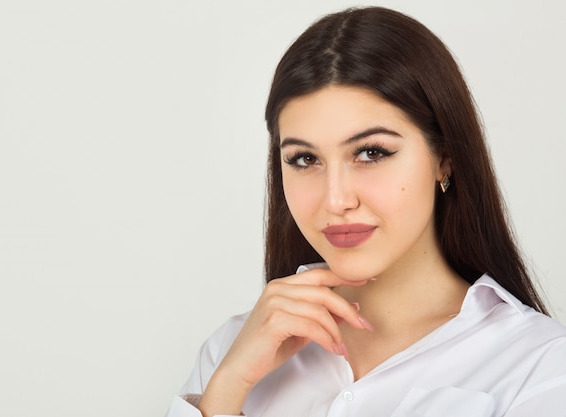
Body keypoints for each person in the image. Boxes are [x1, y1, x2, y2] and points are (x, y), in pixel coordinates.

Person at [165, 6, 566, 416]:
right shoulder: (233, 352)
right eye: (304, 160)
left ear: (444, 156)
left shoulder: (539, 368)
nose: (336, 200)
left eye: (371, 153)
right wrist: (227, 391)